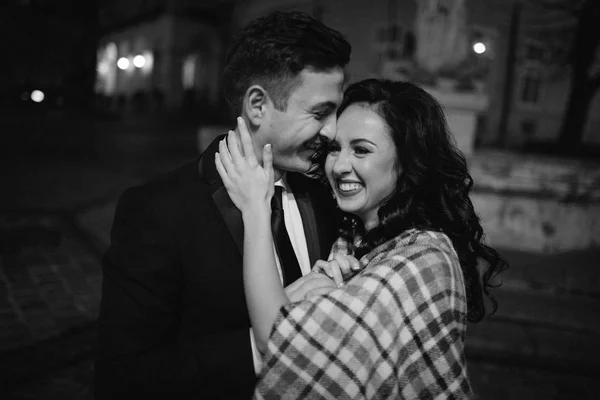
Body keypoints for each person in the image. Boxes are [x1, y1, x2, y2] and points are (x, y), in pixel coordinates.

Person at [94, 11, 351, 399]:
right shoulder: (158, 211)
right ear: (257, 106)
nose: (333, 131)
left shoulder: (329, 190)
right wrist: (270, 339)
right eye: (320, 113)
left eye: (336, 111)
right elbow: (124, 378)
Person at [216, 78, 507, 399]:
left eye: (361, 150)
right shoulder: (353, 237)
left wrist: (255, 207)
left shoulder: (422, 261)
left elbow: (276, 340)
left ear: (408, 160)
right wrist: (311, 291)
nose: (339, 166)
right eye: (335, 148)